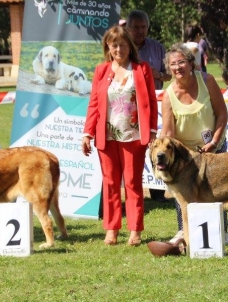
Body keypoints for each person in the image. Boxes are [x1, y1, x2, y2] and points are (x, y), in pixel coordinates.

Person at [81, 25, 158, 246]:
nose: (118, 49)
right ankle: (112, 229)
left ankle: (135, 230)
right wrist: (87, 133)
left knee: (133, 183)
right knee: (110, 183)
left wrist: (152, 131)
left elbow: (151, 102)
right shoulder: (101, 71)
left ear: (129, 46)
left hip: (134, 135)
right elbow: (94, 104)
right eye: (114, 45)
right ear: (108, 46)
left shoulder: (142, 69)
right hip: (106, 136)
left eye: (123, 45)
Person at [160, 43, 228, 244]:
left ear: (191, 64)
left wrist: (215, 142)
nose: (178, 67)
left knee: (215, 191)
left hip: (214, 145)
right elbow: (169, 133)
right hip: (185, 153)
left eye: (181, 62)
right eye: (173, 64)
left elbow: (222, 114)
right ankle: (184, 231)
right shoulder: (168, 96)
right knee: (182, 192)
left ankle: (221, 232)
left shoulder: (207, 81)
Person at [126, 9, 171, 203]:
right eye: (136, 27)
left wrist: (158, 75)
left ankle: (158, 193)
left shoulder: (158, 47)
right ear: (128, 28)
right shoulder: (122, 47)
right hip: (129, 108)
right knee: (132, 148)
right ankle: (130, 192)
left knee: (156, 146)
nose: (140, 31)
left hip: (154, 106)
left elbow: (169, 74)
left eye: (143, 27)